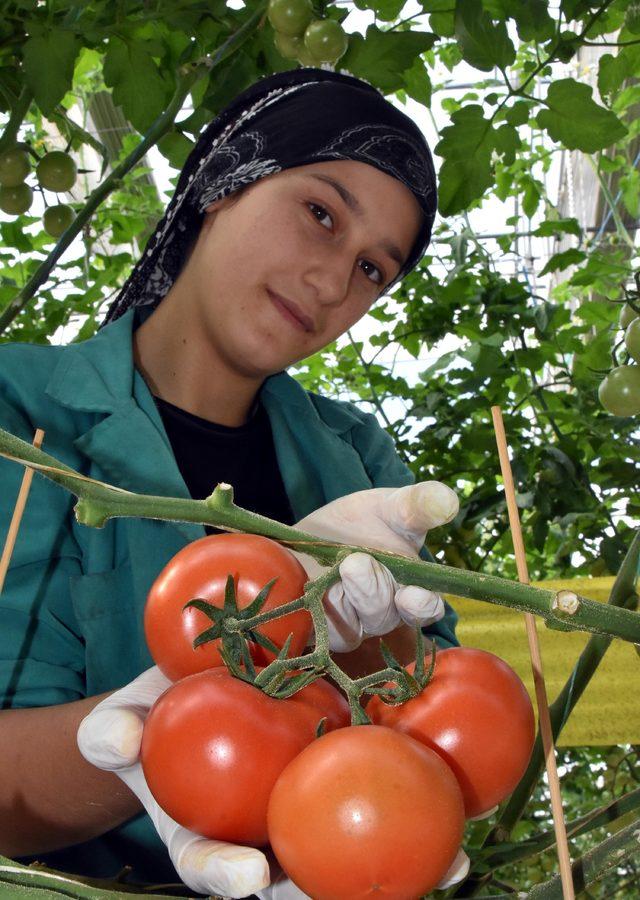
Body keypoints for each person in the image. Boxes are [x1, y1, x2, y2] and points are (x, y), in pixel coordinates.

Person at [0, 68, 464, 897]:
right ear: (224, 181)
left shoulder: (358, 458)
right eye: (320, 214)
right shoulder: (16, 417)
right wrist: (155, 731)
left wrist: (374, 639)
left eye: (371, 271)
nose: (331, 285)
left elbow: (431, 701)